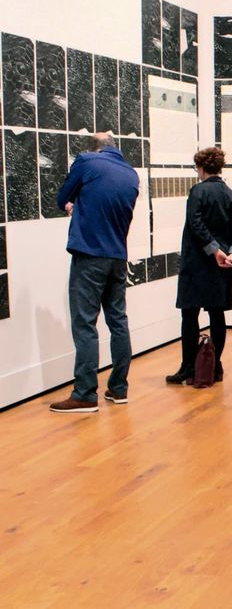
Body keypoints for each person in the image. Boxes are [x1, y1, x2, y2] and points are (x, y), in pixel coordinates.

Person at [49, 133, 140, 413]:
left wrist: (72, 206)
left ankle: (85, 394)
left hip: (90, 254)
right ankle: (119, 388)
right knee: (118, 321)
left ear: (95, 149)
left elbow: (62, 197)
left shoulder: (87, 161)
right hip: (117, 256)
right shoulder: (131, 174)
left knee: (85, 324)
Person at [167, 147, 232, 385]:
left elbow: (196, 224)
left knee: (190, 314)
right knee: (217, 314)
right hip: (222, 265)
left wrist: (214, 250)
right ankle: (214, 366)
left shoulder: (198, 191)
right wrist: (231, 254)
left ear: (200, 168)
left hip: (197, 263)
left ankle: (188, 367)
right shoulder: (230, 194)